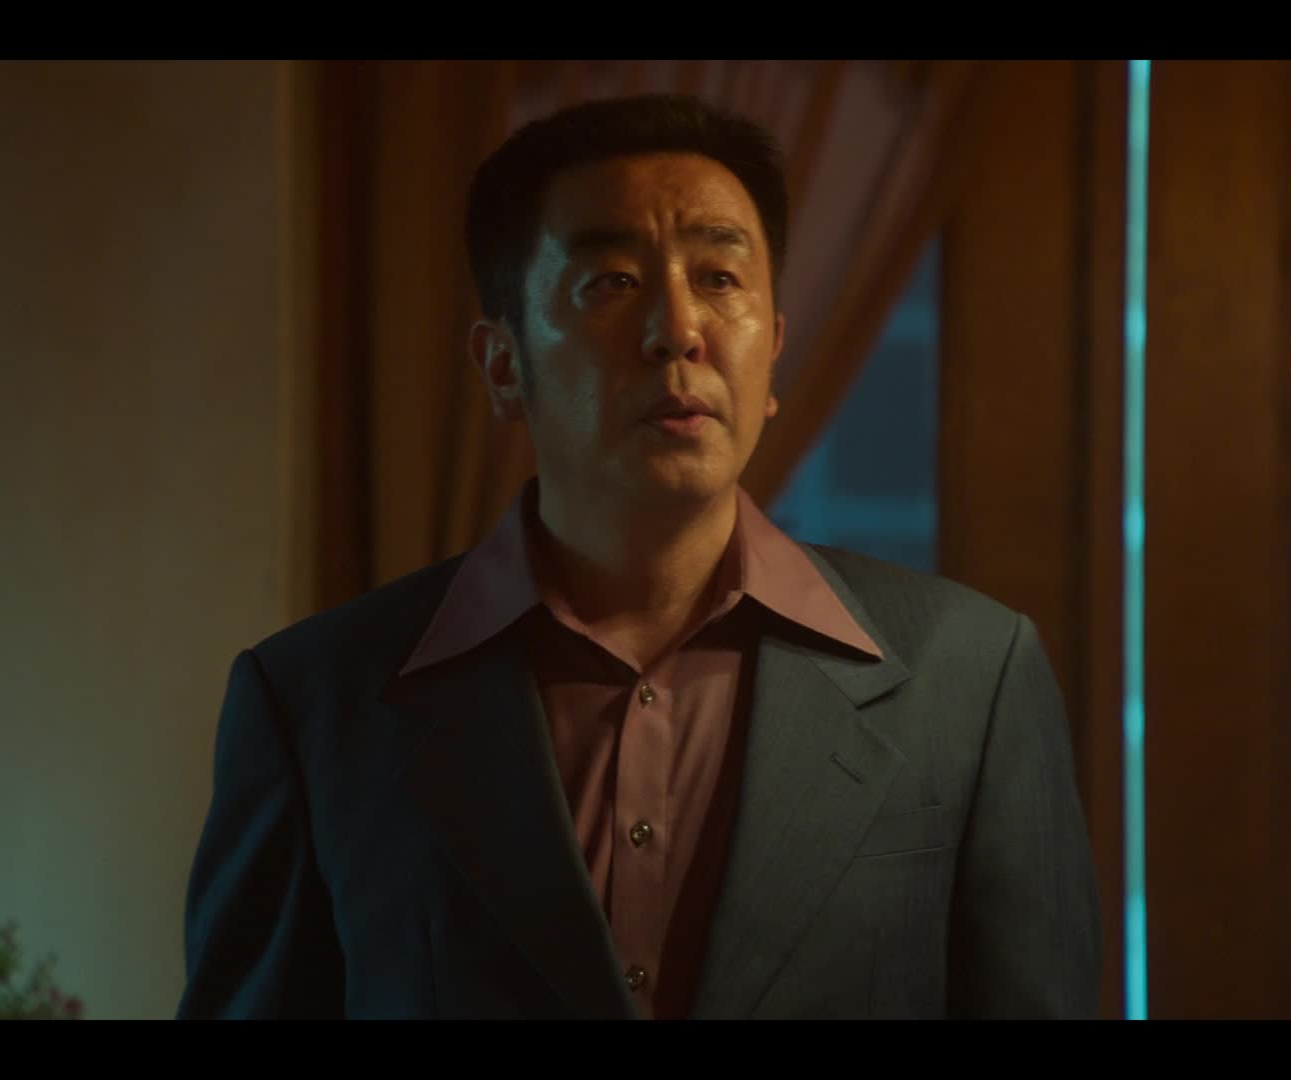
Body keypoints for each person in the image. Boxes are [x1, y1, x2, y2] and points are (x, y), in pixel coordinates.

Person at [176, 92, 1103, 1020]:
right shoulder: (316, 705)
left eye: (721, 278)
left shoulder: (967, 680)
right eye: (611, 282)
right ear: (503, 365)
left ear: (774, 354)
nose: (678, 330)